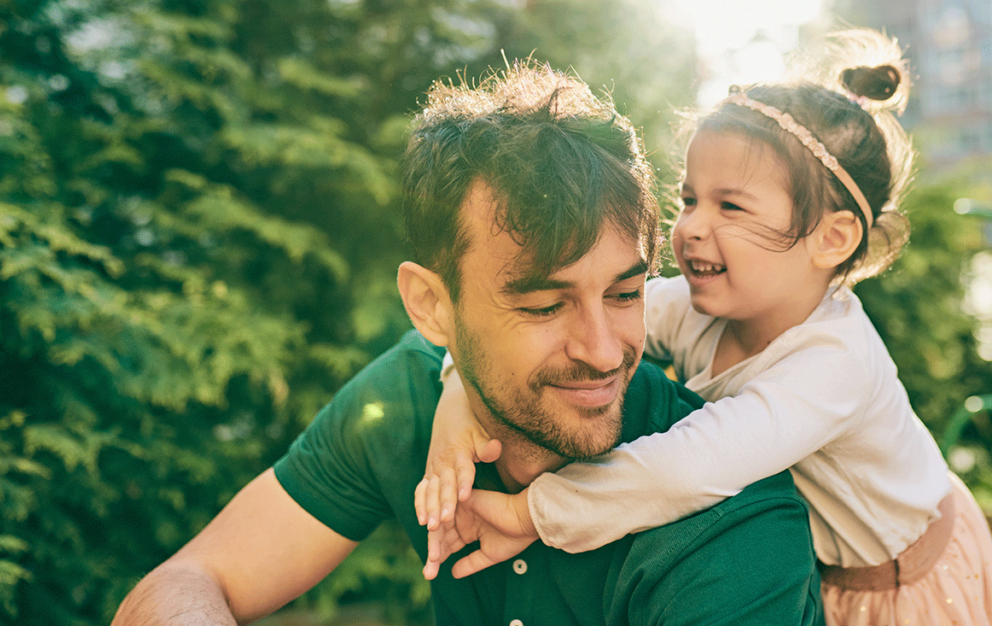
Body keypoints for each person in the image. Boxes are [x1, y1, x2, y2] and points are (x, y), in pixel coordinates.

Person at [110, 61, 823, 626]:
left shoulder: (733, 532)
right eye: (544, 305)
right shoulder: (405, 398)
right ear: (432, 306)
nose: (604, 352)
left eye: (624, 294)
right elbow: (188, 579)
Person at [417, 31, 992, 625]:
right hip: (827, 567)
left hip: (903, 582)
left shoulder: (836, 363)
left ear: (832, 238)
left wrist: (530, 513)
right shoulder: (704, 308)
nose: (690, 227)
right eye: (690, 199)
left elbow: (684, 470)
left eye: (730, 206)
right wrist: (458, 395)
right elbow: (512, 326)